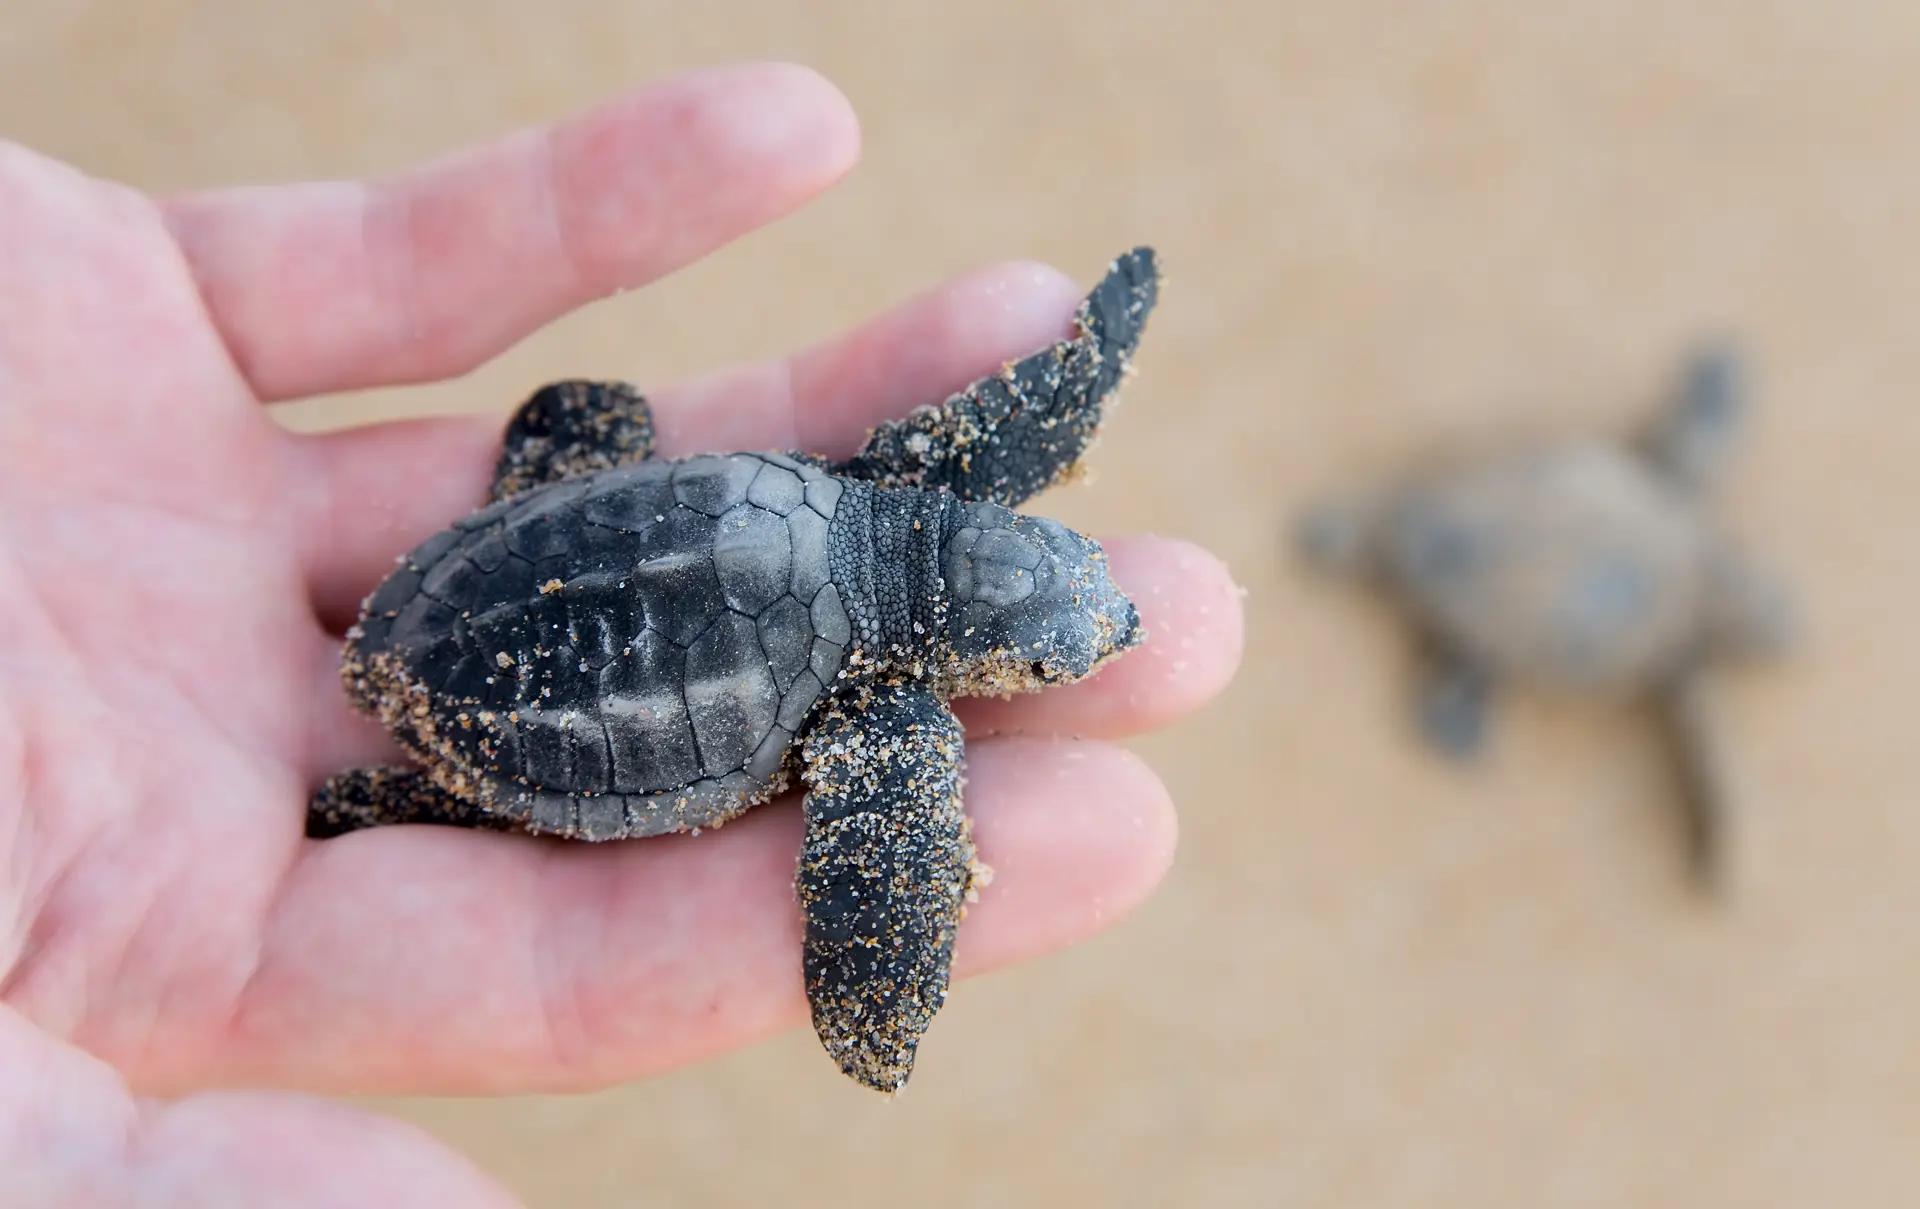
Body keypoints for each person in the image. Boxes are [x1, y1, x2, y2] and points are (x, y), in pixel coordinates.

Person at [0, 62, 1241, 1205]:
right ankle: (410, 798)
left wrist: (1089, 362)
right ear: (964, 649)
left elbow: (1032, 424)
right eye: (1045, 654)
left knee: (596, 423)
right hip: (516, 696)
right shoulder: (892, 732)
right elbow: (887, 884)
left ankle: (465, 658)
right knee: (525, 773)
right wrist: (878, 1002)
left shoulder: (897, 480)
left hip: (491, 573)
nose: (1103, 633)